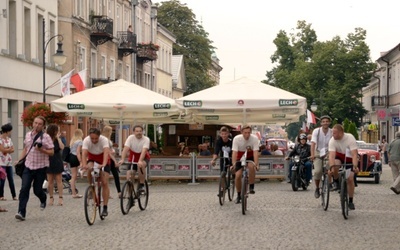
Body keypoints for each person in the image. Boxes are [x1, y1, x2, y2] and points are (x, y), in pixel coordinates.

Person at [16, 116, 54, 221]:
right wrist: (19, 160)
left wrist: (42, 150)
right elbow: (26, 149)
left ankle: (43, 198)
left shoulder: (46, 137)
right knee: (24, 189)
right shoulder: (28, 135)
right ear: (33, 123)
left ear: (43, 126)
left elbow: (51, 152)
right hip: (28, 166)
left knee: (37, 190)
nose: (37, 125)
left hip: (40, 168)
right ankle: (21, 212)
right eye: (35, 123)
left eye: (39, 124)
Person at [328, 124, 359, 210]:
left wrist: (355, 166)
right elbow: (331, 156)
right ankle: (336, 180)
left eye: (334, 133)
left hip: (349, 157)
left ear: (341, 133)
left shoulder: (350, 138)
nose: (333, 135)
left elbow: (354, 154)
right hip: (339, 156)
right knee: (335, 164)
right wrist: (331, 168)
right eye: (332, 133)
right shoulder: (332, 141)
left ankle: (351, 201)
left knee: (350, 179)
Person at [81, 128, 110, 217]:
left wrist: (104, 164)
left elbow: (106, 153)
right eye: (92, 138)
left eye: (96, 139)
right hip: (92, 158)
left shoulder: (104, 140)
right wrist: (84, 165)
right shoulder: (86, 140)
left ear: (99, 136)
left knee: (104, 182)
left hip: (103, 158)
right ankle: (91, 187)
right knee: (89, 168)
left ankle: (105, 207)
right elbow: (84, 153)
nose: (94, 140)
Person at [231, 125, 259, 204]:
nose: (247, 135)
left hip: (250, 156)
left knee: (251, 166)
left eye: (249, 133)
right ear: (241, 132)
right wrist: (233, 164)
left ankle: (251, 186)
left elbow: (255, 152)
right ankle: (239, 195)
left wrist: (256, 164)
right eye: (245, 133)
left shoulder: (254, 138)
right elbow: (234, 152)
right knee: (238, 176)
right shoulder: (237, 139)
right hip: (240, 156)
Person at [118, 125, 150, 194]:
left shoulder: (146, 139)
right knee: (129, 174)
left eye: (140, 131)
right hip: (133, 157)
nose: (139, 133)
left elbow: (144, 151)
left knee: (140, 165)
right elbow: (126, 148)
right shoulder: (130, 138)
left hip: (143, 156)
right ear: (134, 132)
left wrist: (140, 161)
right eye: (137, 131)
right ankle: (129, 192)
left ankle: (141, 184)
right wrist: (122, 159)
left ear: (142, 132)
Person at [310, 115, 333, 198]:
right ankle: (317, 188)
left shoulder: (332, 131)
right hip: (318, 151)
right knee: (317, 171)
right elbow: (313, 143)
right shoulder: (317, 131)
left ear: (329, 123)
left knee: (330, 167)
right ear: (321, 123)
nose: (325, 123)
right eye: (323, 122)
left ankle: (330, 183)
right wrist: (312, 155)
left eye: (327, 121)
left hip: (328, 152)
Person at [46, 125, 65, 206]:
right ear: (54, 131)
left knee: (59, 180)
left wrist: (58, 138)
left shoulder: (58, 139)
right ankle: (51, 197)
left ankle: (60, 198)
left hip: (57, 159)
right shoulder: (46, 139)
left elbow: (62, 147)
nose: (59, 132)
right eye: (58, 130)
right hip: (48, 160)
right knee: (50, 180)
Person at [102, 126, 121, 198]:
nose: (111, 133)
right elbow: (108, 152)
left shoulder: (105, 139)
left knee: (113, 175)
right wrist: (114, 160)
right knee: (113, 176)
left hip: (109, 158)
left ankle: (118, 192)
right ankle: (117, 192)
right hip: (109, 159)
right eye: (110, 131)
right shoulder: (105, 140)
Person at [0, 123, 17, 201]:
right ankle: (1, 195)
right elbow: (2, 150)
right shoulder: (0, 139)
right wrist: (8, 149)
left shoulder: (9, 139)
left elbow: (13, 149)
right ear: (7, 131)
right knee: (2, 179)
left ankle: (14, 195)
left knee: (11, 179)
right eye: (10, 131)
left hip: (9, 162)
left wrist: (7, 149)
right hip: (1, 162)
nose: (11, 132)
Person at [68, 128, 83, 198]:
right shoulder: (80, 141)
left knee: (73, 176)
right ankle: (74, 193)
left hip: (71, 157)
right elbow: (78, 152)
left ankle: (73, 192)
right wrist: (80, 161)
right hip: (75, 157)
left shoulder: (73, 141)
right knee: (74, 176)